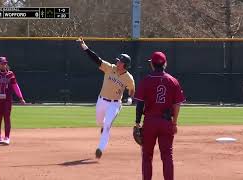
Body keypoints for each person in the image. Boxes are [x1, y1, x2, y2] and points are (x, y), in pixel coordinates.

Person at [77, 37, 135, 159]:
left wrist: (130, 98)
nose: (117, 62)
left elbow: (132, 90)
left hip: (115, 104)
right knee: (100, 122)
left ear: (125, 65)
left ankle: (100, 148)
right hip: (102, 100)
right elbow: (96, 60)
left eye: (120, 61)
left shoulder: (129, 78)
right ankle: (103, 127)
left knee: (108, 124)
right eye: (118, 60)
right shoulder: (110, 68)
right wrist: (85, 47)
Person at [134, 51, 185, 180]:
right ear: (165, 63)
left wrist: (137, 122)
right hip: (166, 122)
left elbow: (139, 104)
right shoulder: (173, 81)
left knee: (147, 156)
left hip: (150, 122)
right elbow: (177, 105)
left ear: (152, 64)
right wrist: (174, 122)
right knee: (167, 156)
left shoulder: (146, 80)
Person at [0, 56, 26, 145]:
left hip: (7, 99)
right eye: (2, 63)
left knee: (7, 118)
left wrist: (21, 98)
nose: (4, 64)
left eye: (5, 63)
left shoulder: (10, 74)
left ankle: (7, 137)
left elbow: (15, 86)